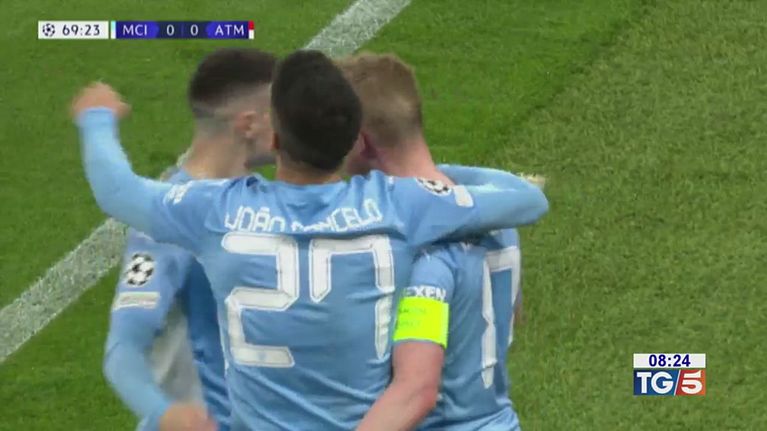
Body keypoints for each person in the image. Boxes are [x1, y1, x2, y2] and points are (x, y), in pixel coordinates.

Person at [71, 49, 548, 431]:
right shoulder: (401, 206)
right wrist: (442, 179)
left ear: (276, 139)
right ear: (351, 141)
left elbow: (117, 190)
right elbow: (526, 200)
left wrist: (96, 120)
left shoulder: (214, 211)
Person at [338, 53, 527, 430]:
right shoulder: (491, 214)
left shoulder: (419, 247)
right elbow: (513, 312)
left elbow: (415, 390)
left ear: (360, 143)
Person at [102, 47, 277, 431]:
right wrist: (163, 412)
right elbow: (123, 349)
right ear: (248, 124)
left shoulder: (267, 201)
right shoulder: (166, 224)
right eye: (280, 114)